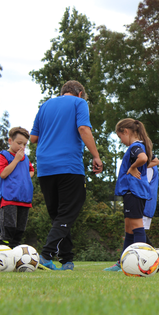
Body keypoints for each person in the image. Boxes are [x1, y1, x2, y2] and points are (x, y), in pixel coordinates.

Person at [30, 80, 103, 271]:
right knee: (68, 212)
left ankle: (67, 260)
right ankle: (45, 255)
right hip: (68, 166)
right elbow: (83, 129)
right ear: (80, 94)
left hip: (45, 167)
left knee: (59, 216)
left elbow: (33, 138)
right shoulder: (79, 103)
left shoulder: (45, 105)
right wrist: (96, 156)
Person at [104, 118, 159, 272]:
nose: (121, 141)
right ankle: (122, 263)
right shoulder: (141, 146)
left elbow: (144, 159)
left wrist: (133, 167)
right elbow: (155, 161)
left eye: (120, 137)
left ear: (126, 132)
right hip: (133, 192)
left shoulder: (135, 147)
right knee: (129, 228)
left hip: (133, 192)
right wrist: (138, 168)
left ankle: (142, 265)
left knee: (136, 226)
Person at [0, 127, 34, 248]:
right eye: (19, 143)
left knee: (20, 230)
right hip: (9, 197)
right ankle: (1, 254)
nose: (22, 147)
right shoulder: (3, 156)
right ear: (10, 141)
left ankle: (15, 256)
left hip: (24, 198)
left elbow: (31, 171)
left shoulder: (25, 158)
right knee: (9, 228)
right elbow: (3, 173)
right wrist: (16, 160)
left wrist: (24, 178)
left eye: (25, 144)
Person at [143, 165, 159, 246]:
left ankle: (154, 253)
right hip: (146, 204)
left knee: (138, 231)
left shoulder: (149, 167)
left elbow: (144, 183)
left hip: (145, 204)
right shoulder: (150, 166)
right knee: (138, 231)